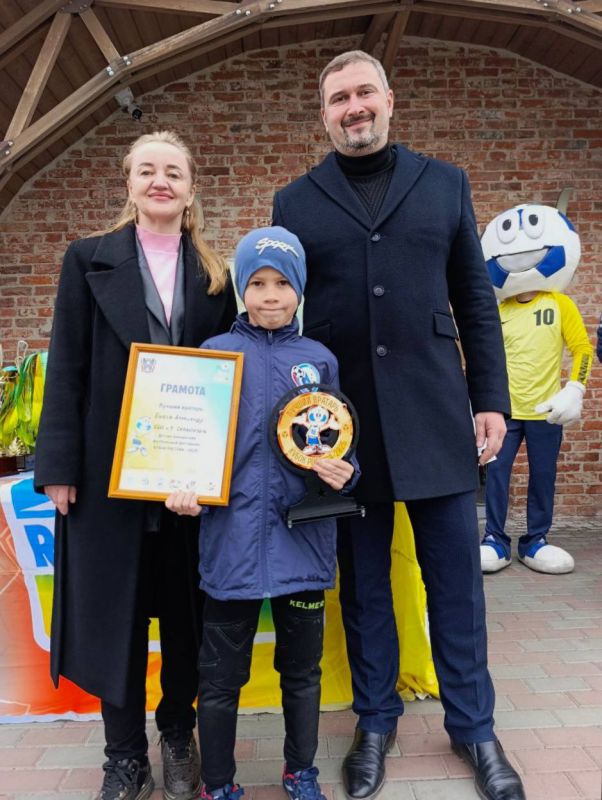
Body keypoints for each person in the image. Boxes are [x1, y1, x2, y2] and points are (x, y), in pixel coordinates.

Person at [273, 50, 525, 800]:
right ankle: (375, 721)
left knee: (456, 582)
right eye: (338, 98)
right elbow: (282, 310)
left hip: (435, 414)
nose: (353, 107)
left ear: (389, 98)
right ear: (324, 114)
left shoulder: (445, 183)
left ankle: (474, 727)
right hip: (345, 430)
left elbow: (474, 298)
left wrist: (491, 399)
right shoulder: (295, 202)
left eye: (363, 93)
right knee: (364, 588)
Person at [34, 131, 237, 800]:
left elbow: (225, 380)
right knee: (113, 617)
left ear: (190, 187)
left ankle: (177, 733)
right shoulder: (87, 260)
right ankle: (123, 756)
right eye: (147, 170)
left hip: (187, 482)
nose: (160, 181)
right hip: (104, 477)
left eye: (173, 171)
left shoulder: (215, 277)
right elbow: (66, 365)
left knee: (184, 617)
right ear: (128, 183)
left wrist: (213, 473)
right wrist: (59, 465)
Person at [165, 225, 357, 800]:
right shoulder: (214, 356)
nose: (270, 296)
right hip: (232, 546)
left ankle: (301, 772)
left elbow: (342, 438)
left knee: (302, 674)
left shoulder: (319, 360)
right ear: (240, 289)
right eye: (257, 283)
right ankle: (218, 784)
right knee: (220, 679)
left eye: (282, 284)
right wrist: (180, 486)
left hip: (304, 544)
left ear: (300, 289)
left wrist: (347, 472)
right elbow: (186, 444)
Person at [480, 203, 593, 574]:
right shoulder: (498, 310)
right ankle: (495, 539)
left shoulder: (560, 304)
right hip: (505, 412)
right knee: (497, 477)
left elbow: (582, 349)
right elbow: (483, 359)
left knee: (543, 476)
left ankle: (535, 540)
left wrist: (575, 389)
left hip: (546, 412)